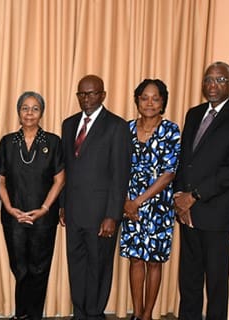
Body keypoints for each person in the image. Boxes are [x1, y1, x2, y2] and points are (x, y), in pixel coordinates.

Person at [174, 61, 229, 320]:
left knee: (216, 285)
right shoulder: (193, 113)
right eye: (209, 79)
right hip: (187, 213)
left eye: (220, 80)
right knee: (188, 281)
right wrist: (179, 198)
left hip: (217, 214)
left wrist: (194, 196)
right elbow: (184, 160)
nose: (213, 84)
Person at [60, 75, 131, 320]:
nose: (86, 98)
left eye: (92, 93)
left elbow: (120, 175)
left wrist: (112, 215)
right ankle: (79, 313)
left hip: (102, 215)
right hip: (73, 211)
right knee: (76, 266)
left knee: (99, 267)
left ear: (103, 95)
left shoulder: (117, 126)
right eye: (82, 94)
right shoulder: (68, 125)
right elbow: (66, 170)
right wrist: (62, 205)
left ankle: (94, 314)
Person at [0, 91, 65, 320]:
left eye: (35, 108)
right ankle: (21, 313)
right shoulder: (7, 142)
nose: (29, 113)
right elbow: (0, 180)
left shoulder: (53, 142)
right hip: (14, 217)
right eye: (25, 108)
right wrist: (8, 207)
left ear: (41, 113)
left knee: (39, 269)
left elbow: (60, 179)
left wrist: (45, 208)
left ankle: (34, 315)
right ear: (18, 112)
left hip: (44, 218)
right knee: (20, 269)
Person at [119, 79, 181, 320]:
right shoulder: (126, 129)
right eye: (144, 97)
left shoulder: (171, 130)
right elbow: (117, 168)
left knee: (154, 261)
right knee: (135, 259)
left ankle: (147, 315)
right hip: (128, 203)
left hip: (159, 206)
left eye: (155, 98)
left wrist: (138, 201)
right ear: (137, 100)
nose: (149, 103)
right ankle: (136, 313)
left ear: (163, 102)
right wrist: (126, 200)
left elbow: (169, 173)